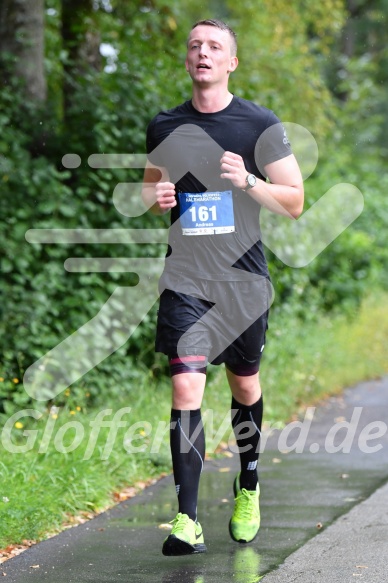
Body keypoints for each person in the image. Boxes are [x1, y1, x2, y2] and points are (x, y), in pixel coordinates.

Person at [142, 19, 304, 556]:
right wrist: (158, 197)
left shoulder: (258, 124)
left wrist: (249, 182)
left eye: (214, 46)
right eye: (194, 46)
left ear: (231, 62)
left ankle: (249, 485)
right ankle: (187, 518)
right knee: (187, 387)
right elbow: (146, 192)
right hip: (186, 277)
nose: (202, 53)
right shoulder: (164, 124)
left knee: (243, 386)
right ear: (187, 62)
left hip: (243, 281)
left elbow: (295, 201)